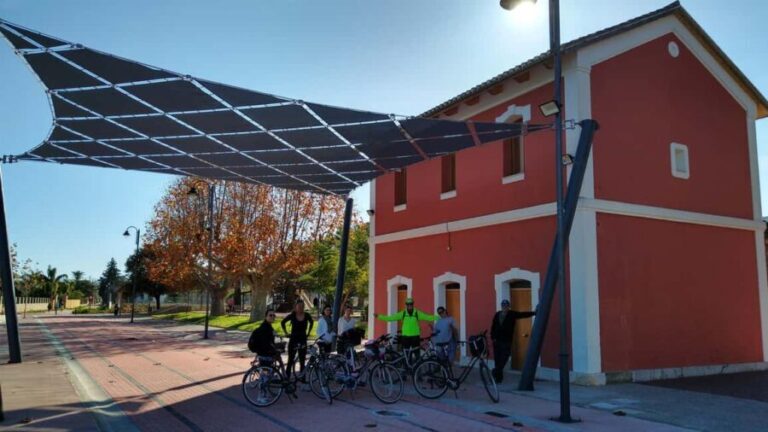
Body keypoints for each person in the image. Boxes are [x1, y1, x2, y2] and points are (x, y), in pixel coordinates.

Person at [490, 299, 536, 383]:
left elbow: (522, 314)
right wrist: (492, 337)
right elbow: (493, 326)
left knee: (505, 358)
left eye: (506, 305)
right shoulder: (497, 314)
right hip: (497, 340)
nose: (504, 307)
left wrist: (534, 313)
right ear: (501, 306)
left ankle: (496, 371)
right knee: (497, 359)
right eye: (503, 305)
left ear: (508, 306)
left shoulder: (512, 314)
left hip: (507, 340)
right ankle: (498, 379)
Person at [281, 300, 314, 380]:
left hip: (303, 339)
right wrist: (286, 333)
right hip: (293, 339)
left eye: (302, 307)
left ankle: (302, 377)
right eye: (299, 307)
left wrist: (308, 332)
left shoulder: (306, 315)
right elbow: (283, 322)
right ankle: (287, 377)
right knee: (290, 360)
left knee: (302, 360)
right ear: (295, 307)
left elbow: (311, 322)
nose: (300, 308)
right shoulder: (292, 315)